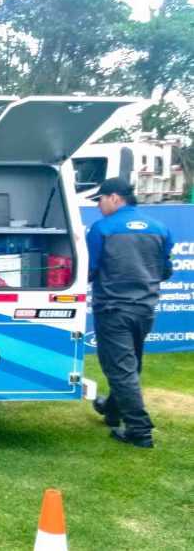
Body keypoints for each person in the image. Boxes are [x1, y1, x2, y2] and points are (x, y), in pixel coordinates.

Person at [86, 177, 174, 448]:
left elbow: (90, 270)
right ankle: (112, 410)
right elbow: (166, 270)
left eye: (100, 200)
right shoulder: (159, 228)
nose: (98, 206)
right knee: (129, 364)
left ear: (114, 197)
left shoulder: (102, 228)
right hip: (145, 309)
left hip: (113, 309)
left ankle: (139, 430)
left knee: (121, 368)